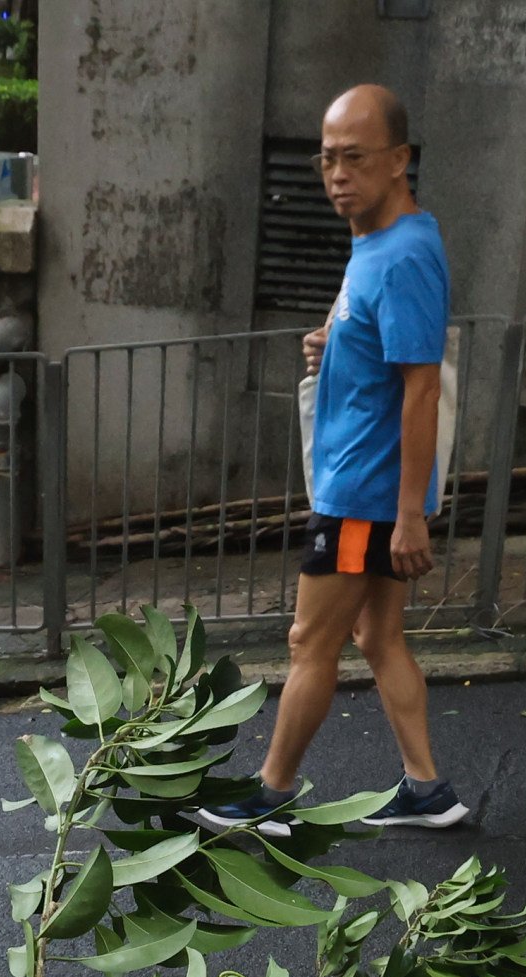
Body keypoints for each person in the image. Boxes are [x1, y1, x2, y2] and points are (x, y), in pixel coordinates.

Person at [194, 83, 473, 837]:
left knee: (307, 641)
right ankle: (426, 789)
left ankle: (272, 793)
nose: (336, 175)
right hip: (368, 484)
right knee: (377, 637)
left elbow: (420, 390)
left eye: (354, 158)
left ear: (399, 161)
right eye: (326, 161)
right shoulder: (375, 241)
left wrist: (409, 515)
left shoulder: (406, 253)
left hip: (364, 492)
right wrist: (333, 342)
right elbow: (383, 347)